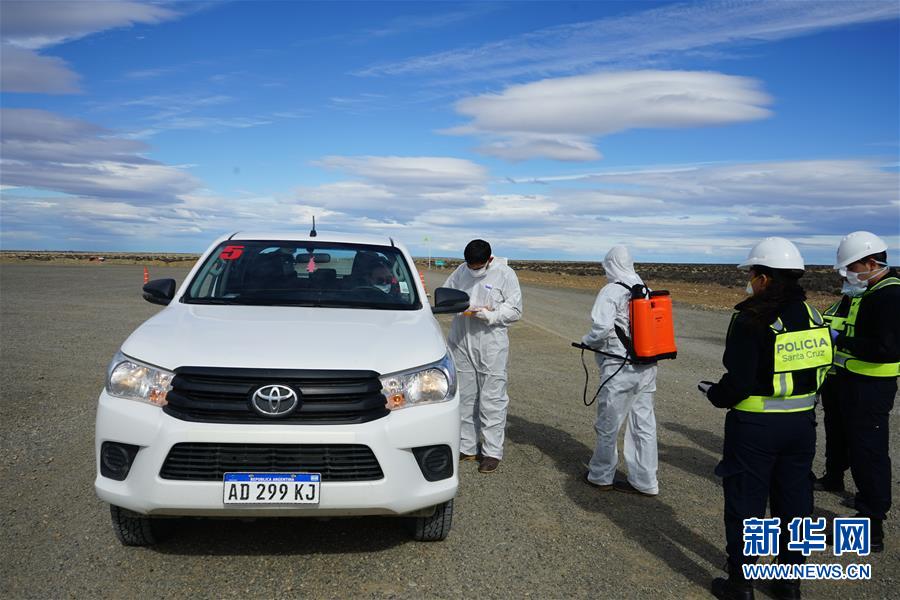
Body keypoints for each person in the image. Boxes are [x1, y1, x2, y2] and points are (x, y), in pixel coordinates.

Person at [699, 237, 833, 600]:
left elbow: (738, 381)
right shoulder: (814, 316)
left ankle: (741, 585)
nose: (750, 280)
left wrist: (716, 394)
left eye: (753, 273)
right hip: (802, 427)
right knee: (795, 503)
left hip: (755, 429)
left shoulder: (751, 318)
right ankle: (788, 583)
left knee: (746, 504)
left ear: (765, 278)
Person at [828, 231, 899, 553]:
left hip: (871, 387)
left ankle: (872, 524)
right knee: (851, 444)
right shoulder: (868, 291)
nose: (848, 274)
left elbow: (886, 349)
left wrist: (838, 340)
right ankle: (840, 483)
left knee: (869, 453)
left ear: (872, 263)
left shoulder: (890, 296)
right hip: (851, 382)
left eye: (852, 267)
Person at [580, 246, 659, 496]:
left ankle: (601, 476)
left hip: (619, 366)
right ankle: (645, 481)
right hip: (646, 366)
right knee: (643, 424)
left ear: (611, 264)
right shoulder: (644, 288)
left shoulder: (612, 290)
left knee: (608, 423)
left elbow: (601, 329)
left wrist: (587, 341)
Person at [443, 239, 522, 473]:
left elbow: (515, 310)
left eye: (478, 266)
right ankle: (466, 447)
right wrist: (454, 306)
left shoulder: (505, 274)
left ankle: (491, 452)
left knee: (492, 399)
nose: (474, 270)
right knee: (465, 397)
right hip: (462, 339)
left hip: (490, 343)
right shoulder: (461, 270)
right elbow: (447, 295)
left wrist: (492, 315)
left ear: (489, 260)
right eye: (471, 266)